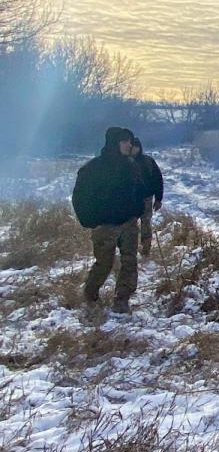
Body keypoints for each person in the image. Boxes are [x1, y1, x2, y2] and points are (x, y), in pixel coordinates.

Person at [71, 127, 146, 314]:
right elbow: (80, 197)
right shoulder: (93, 168)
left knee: (129, 262)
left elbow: (141, 190)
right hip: (105, 225)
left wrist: (138, 210)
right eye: (124, 141)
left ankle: (122, 298)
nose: (129, 145)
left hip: (129, 224)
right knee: (104, 263)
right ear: (114, 143)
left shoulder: (131, 166)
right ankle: (90, 294)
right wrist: (90, 220)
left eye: (130, 141)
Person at [129, 137, 164, 257]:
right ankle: (130, 249)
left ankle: (146, 249)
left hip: (146, 199)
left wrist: (158, 198)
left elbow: (158, 179)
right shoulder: (123, 162)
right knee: (130, 225)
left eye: (136, 146)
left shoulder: (148, 161)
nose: (134, 149)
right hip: (129, 200)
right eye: (132, 146)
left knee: (146, 224)